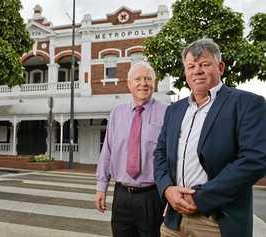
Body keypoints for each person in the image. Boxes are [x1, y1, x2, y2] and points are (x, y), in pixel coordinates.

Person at [153, 38, 266, 237]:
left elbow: (255, 160)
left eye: (205, 64)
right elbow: (160, 154)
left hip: (217, 222)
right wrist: (167, 189)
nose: (197, 70)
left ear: (220, 67)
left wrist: (201, 198)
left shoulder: (247, 104)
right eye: (191, 66)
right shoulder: (174, 110)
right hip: (174, 221)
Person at [95, 61, 168, 237]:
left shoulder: (167, 113)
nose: (143, 83)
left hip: (152, 196)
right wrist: (101, 187)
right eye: (138, 79)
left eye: (148, 78)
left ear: (154, 83)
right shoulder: (117, 113)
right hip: (122, 196)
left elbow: (171, 157)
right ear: (129, 84)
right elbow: (107, 151)